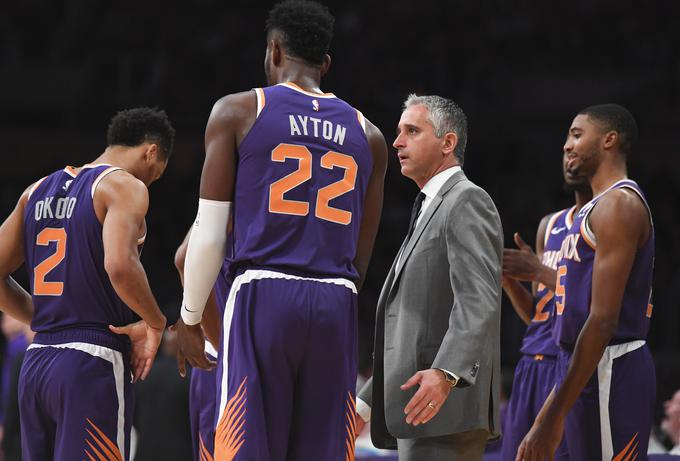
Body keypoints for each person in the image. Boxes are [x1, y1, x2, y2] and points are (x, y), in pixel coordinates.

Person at [173, 1, 388, 459]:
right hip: (337, 300)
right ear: (325, 64)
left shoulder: (238, 110)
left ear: (273, 50)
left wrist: (190, 318)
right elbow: (362, 258)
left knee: (245, 447)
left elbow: (208, 236)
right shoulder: (369, 134)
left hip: (262, 294)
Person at [0, 107, 173, 461]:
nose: (152, 181)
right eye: (157, 174)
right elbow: (119, 265)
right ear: (151, 151)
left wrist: (40, 316)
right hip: (91, 361)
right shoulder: (124, 186)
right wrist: (155, 322)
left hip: (37, 363)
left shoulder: (35, 191)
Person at [356, 94, 503, 460]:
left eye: (412, 131)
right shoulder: (429, 206)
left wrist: (446, 373)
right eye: (398, 132)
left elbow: (479, 299)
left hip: (445, 410)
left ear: (448, 143)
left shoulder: (467, 200)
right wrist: (364, 404)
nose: (397, 142)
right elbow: (414, 328)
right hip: (422, 407)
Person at [518, 104, 655, 461]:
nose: (567, 144)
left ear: (609, 140)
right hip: (579, 367)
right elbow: (572, 325)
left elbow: (602, 321)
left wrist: (551, 417)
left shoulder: (619, 205)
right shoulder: (589, 212)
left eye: (577, 134)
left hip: (612, 368)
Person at [500, 152, 591, 460]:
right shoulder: (549, 226)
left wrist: (539, 271)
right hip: (528, 365)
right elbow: (539, 316)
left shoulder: (608, 223)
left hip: (565, 365)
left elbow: (597, 304)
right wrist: (510, 280)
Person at [173, 228, 231, 461]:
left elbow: (183, 258)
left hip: (214, 357)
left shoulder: (220, 203)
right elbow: (185, 258)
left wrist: (192, 319)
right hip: (234, 354)